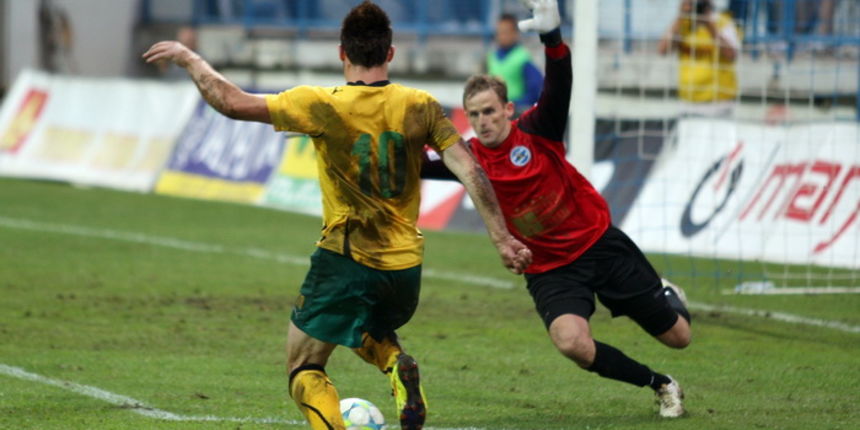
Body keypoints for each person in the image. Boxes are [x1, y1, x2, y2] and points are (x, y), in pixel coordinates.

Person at [143, 2, 532, 429]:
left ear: (342, 53)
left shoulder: (321, 103)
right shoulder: (421, 104)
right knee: (359, 325)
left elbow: (231, 103)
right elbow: (471, 169)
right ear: (391, 54)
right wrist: (502, 239)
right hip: (405, 269)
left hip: (346, 258)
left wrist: (190, 58)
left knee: (303, 366)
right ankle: (396, 362)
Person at [423, 0, 692, 418]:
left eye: (490, 111)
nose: (483, 121)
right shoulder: (468, 161)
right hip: (550, 268)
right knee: (571, 342)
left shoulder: (538, 129)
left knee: (679, 337)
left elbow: (559, 82)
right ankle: (661, 385)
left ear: (508, 110)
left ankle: (669, 293)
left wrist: (552, 38)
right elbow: (414, 163)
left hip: (598, 243)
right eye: (474, 115)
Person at [658, 0, 741, 117]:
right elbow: (662, 50)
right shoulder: (683, 24)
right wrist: (680, 17)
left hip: (718, 103)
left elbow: (731, 55)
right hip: (687, 101)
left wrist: (709, 24)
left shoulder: (723, 22)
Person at [487, 13, 543, 112]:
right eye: (499, 32)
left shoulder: (522, 57)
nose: (501, 36)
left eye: (505, 32)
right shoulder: (492, 57)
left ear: (515, 34)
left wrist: (516, 104)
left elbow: (536, 88)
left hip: (515, 112)